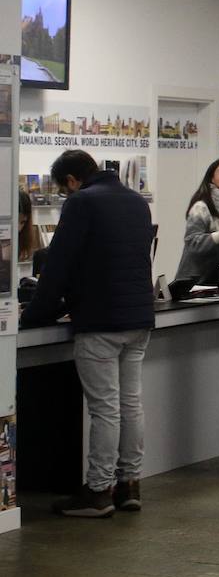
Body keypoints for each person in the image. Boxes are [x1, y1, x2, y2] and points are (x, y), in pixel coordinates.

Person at [19, 150, 156, 518]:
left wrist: (33, 316)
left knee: (105, 409)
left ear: (71, 181)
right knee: (131, 404)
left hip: (100, 319)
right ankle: (130, 485)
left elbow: (58, 268)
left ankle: (98, 492)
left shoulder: (81, 203)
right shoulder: (136, 201)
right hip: (139, 317)